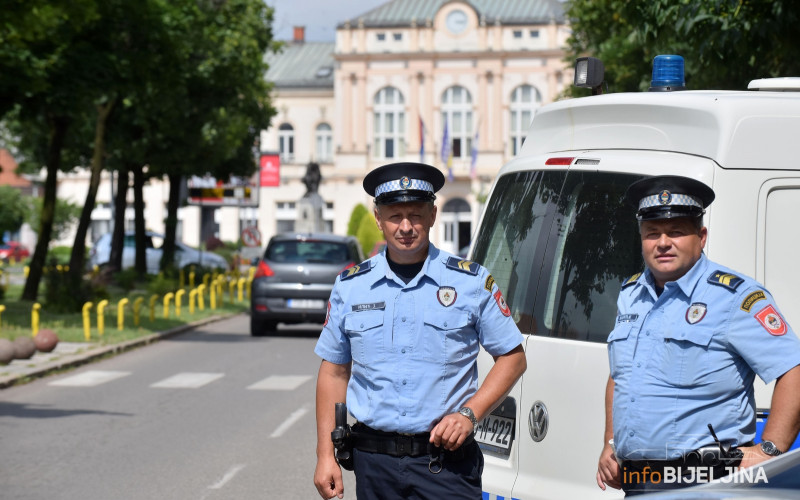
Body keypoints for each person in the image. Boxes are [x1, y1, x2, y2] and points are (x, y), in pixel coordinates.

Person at [313, 162, 527, 500]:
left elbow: (512, 358)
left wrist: (469, 415)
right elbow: (334, 372)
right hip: (374, 464)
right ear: (378, 218)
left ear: (432, 215)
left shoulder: (469, 281)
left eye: (415, 214)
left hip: (446, 463)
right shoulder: (351, 286)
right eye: (395, 215)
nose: (406, 226)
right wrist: (325, 455)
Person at [596, 175, 800, 496]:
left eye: (676, 232)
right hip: (638, 484)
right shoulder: (631, 294)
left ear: (701, 236)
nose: (663, 242)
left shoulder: (735, 298)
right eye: (652, 233)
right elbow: (622, 376)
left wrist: (769, 451)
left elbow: (793, 368)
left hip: (708, 485)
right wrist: (611, 442)